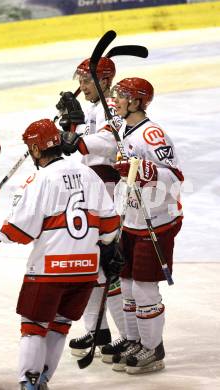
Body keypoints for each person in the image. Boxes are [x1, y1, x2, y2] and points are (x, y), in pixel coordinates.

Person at [0, 119, 124, 389]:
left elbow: (19, 232)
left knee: (34, 327)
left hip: (49, 271)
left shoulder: (39, 179)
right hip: (86, 271)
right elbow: (109, 225)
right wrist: (107, 247)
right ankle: (42, 380)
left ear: (36, 149)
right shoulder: (89, 174)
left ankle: (29, 382)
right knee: (59, 325)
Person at [108, 77, 183, 374]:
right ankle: (134, 340)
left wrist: (146, 171)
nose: (117, 100)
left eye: (123, 96)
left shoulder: (152, 134)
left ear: (138, 101)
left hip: (158, 220)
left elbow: (175, 177)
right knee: (126, 284)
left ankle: (154, 349)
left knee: (143, 288)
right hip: (132, 218)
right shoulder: (123, 126)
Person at [56, 57, 126, 359]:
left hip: (109, 191)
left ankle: (129, 336)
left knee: (109, 268)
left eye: (86, 81)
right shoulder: (97, 107)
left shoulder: (112, 105)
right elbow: (86, 138)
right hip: (93, 188)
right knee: (93, 265)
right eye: (81, 80)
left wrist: (78, 139)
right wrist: (72, 124)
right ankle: (98, 331)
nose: (82, 86)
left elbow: (110, 143)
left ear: (104, 80)